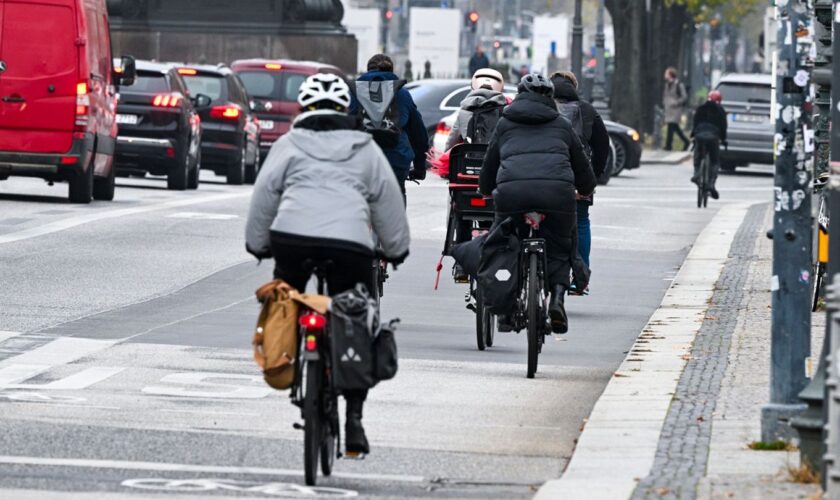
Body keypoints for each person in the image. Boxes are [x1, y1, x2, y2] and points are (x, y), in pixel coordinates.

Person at [245, 73, 410, 455]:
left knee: (285, 297)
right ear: (344, 110)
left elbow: (264, 197)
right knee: (356, 314)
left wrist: (258, 244)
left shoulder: (287, 145)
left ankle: (285, 357)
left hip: (292, 239)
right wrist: (395, 248)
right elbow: (387, 201)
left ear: (303, 109)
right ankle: (353, 418)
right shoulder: (365, 147)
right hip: (349, 243)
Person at [479, 73, 596, 333]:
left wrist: (486, 188)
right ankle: (556, 297)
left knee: (504, 242)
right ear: (549, 98)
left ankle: (507, 307)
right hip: (556, 194)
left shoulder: (505, 123)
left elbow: (490, 163)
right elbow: (582, 166)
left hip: (513, 194)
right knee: (562, 244)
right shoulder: (562, 125)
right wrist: (586, 189)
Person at [446, 68, 508, 281]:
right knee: (496, 215)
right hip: (496, 178)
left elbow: (451, 143)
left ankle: (461, 266)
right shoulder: (506, 112)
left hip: (466, 177)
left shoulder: (464, 110)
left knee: (460, 212)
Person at [550, 71, 610, 285]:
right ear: (573, 87)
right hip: (577, 178)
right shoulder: (586, 110)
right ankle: (581, 274)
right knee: (581, 221)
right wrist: (594, 175)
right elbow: (602, 145)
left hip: (546, 177)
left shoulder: (541, 106)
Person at [351, 54, 429, 196]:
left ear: (368, 71)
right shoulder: (402, 94)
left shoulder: (355, 93)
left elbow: (344, 127)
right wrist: (419, 167)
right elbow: (419, 135)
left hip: (362, 161)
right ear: (391, 72)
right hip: (396, 161)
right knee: (396, 207)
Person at [691, 90, 727, 199]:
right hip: (713, 136)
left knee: (697, 155)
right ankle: (711, 184)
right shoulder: (720, 110)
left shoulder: (701, 108)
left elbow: (695, 122)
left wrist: (693, 135)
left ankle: (697, 173)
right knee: (715, 161)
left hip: (700, 135)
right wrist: (724, 139)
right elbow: (723, 127)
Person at [663, 67, 690, 151]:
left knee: (672, 126)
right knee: (674, 127)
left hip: (675, 110)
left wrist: (676, 103)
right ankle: (685, 142)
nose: (665, 75)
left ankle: (669, 145)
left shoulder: (679, 84)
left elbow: (684, 97)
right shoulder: (667, 85)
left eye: (666, 73)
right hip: (669, 109)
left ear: (670, 75)